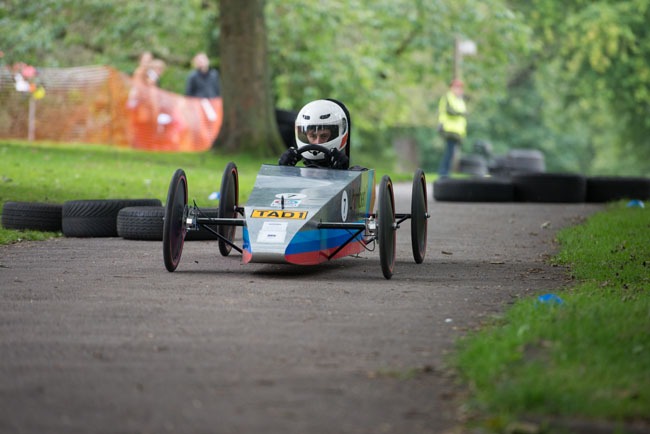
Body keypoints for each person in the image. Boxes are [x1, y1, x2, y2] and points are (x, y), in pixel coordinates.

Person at [278, 99, 350, 169]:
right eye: (312, 136)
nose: (317, 142)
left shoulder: (350, 171)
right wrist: (285, 169)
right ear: (306, 135)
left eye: (324, 136)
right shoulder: (298, 174)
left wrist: (342, 171)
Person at [437, 79, 467, 177]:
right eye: (456, 87)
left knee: (451, 153)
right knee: (449, 152)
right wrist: (461, 113)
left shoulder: (459, 99)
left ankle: (445, 172)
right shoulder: (448, 97)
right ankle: (443, 172)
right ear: (451, 88)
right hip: (449, 129)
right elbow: (449, 111)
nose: (458, 89)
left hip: (457, 131)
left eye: (460, 87)